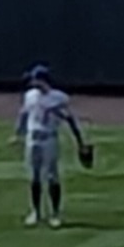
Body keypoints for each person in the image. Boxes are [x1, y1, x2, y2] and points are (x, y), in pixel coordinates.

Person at [18, 64, 94, 227]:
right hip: (33, 138)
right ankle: (36, 212)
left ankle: (55, 213)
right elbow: (24, 114)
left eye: (35, 79)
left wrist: (80, 141)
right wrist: (18, 133)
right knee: (34, 176)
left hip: (49, 138)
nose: (32, 82)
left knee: (52, 176)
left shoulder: (58, 98)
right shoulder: (30, 96)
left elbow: (70, 119)